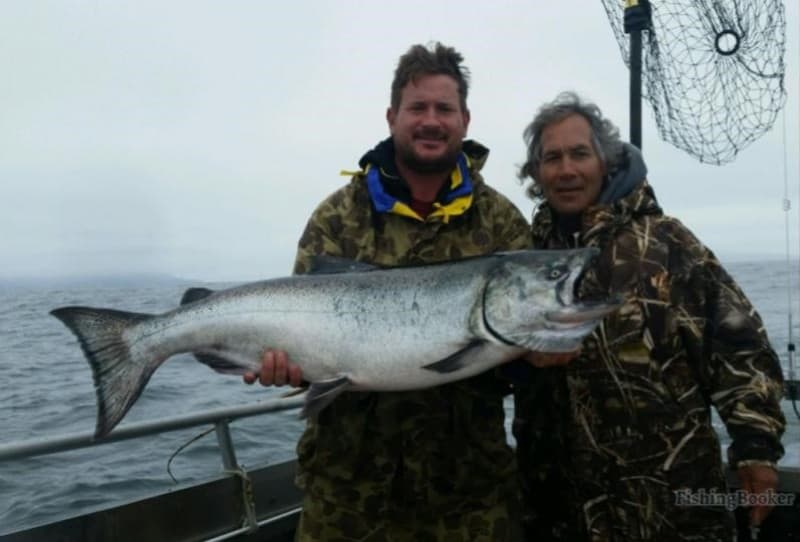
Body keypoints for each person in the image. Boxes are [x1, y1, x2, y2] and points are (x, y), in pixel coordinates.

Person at [244, 42, 567, 541]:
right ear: (393, 116)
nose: (431, 120)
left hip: (468, 493)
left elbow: (509, 350)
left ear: (465, 118)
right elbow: (306, 338)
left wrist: (539, 352)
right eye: (418, 107)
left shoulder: (501, 220)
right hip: (347, 492)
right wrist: (285, 366)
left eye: (444, 108)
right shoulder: (337, 216)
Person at [512, 91, 787, 541]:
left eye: (579, 154)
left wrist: (756, 451)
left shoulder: (666, 243)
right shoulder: (527, 258)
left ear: (606, 161)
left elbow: (739, 345)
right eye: (551, 158)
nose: (566, 170)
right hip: (559, 511)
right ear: (536, 173)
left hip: (672, 509)